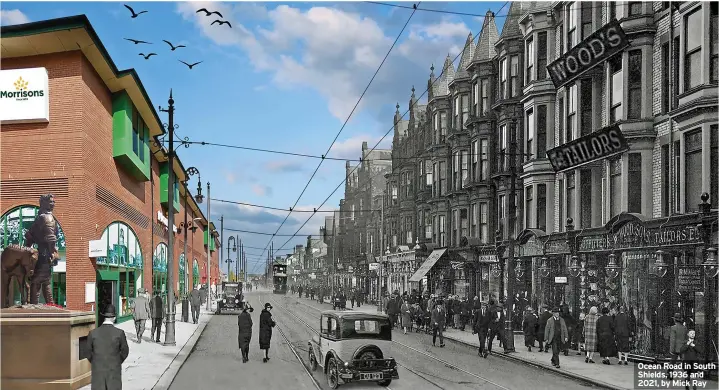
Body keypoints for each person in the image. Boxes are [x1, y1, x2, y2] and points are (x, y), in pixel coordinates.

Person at [24, 194, 59, 304]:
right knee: (45, 281)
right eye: (50, 202)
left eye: (53, 202)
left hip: (44, 255)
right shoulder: (45, 217)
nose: (53, 204)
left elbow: (51, 238)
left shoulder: (45, 217)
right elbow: (31, 235)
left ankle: (35, 306)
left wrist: (54, 252)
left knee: (37, 281)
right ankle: (50, 304)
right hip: (44, 254)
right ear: (43, 203)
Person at [88, 303, 130, 389]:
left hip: (98, 372)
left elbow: (87, 352)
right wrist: (117, 361)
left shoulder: (93, 333)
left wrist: (96, 361)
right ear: (114, 318)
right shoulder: (119, 333)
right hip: (114, 371)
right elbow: (125, 351)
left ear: (104, 317)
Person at [669, 312, 688, 377]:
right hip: (683, 347)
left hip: (675, 348)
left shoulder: (673, 328)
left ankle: (670, 374)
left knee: (672, 362)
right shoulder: (685, 328)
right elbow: (686, 338)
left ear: (674, 320)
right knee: (683, 362)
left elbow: (673, 340)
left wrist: (671, 349)